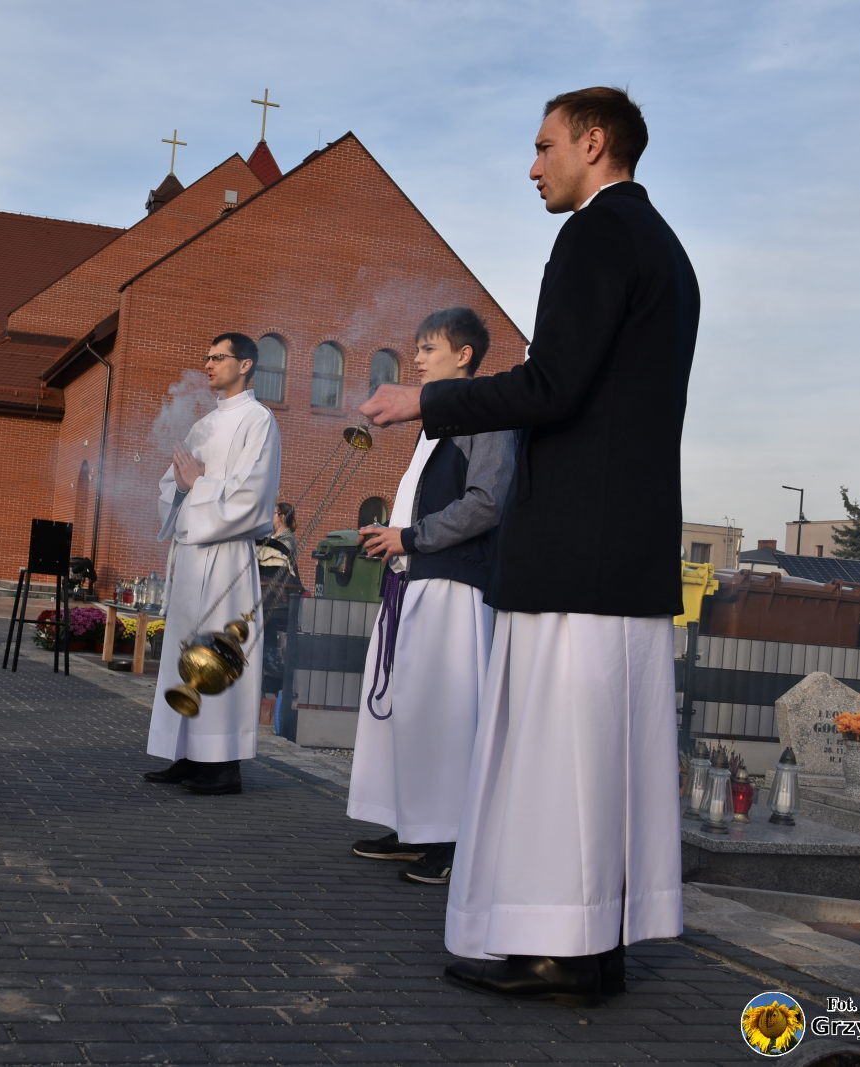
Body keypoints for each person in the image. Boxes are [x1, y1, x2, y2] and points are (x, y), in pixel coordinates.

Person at [361, 87, 698, 1005]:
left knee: (558, 759)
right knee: (604, 760)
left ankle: (562, 952)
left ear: (594, 143)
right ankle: (595, 945)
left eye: (545, 146)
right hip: (624, 551)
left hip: (575, 554)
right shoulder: (665, 247)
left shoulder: (595, 234)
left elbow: (552, 386)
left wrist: (428, 400)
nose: (533, 166)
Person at [347, 307, 515, 887]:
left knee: (446, 714)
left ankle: (451, 839)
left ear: (463, 356)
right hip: (414, 578)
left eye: (427, 349)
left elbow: (487, 502)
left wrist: (412, 537)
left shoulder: (487, 415)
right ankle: (412, 824)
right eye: (416, 349)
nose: (415, 359)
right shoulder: (434, 422)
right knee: (408, 710)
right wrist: (394, 539)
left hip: (453, 586)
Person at [142, 333, 281, 795]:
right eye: (207, 357)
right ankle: (185, 753)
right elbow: (172, 485)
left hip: (226, 555)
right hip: (190, 555)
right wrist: (185, 488)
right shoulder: (202, 426)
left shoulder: (259, 421)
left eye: (219, 357)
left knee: (220, 653)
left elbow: (253, 495)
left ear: (245, 365)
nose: (209, 364)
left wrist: (199, 486)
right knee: (183, 653)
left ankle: (222, 766)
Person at [255, 501, 300, 697]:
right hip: (268, 602)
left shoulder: (286, 540)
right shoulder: (273, 538)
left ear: (282, 517)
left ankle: (270, 694)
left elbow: (271, 567)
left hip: (276, 604)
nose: (269, 516)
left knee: (271, 649)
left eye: (273, 513)